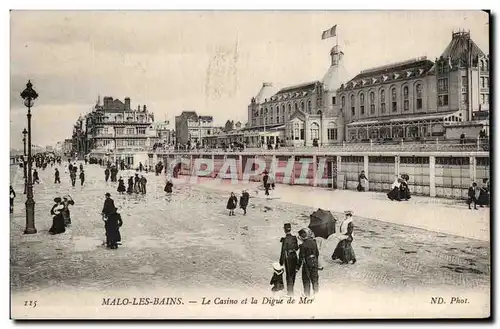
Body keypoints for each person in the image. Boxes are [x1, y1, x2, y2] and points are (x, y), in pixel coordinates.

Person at [297, 228, 319, 298]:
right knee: (315, 279)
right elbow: (317, 253)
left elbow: (300, 258)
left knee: (306, 280)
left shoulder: (303, 246)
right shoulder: (314, 242)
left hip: (307, 264)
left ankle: (307, 296)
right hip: (314, 262)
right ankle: (316, 294)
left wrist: (297, 268)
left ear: (301, 237)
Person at [279, 223, 299, 296]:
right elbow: (297, 248)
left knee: (289, 275)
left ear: (284, 230)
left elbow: (283, 251)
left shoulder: (284, 240)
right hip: (294, 257)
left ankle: (290, 292)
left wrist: (280, 262)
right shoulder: (294, 238)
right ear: (290, 229)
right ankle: (291, 289)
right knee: (293, 274)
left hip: (288, 258)